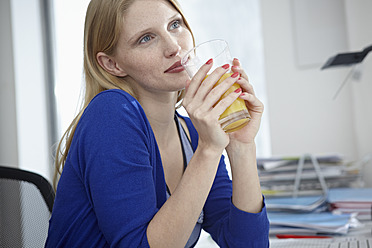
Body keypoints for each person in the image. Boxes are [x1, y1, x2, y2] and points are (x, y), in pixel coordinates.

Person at [45, 0, 269, 247]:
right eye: (146, 38)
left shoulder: (193, 132)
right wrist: (208, 151)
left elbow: (247, 243)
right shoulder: (110, 114)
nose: (174, 47)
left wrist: (241, 145)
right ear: (112, 64)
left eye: (175, 24)